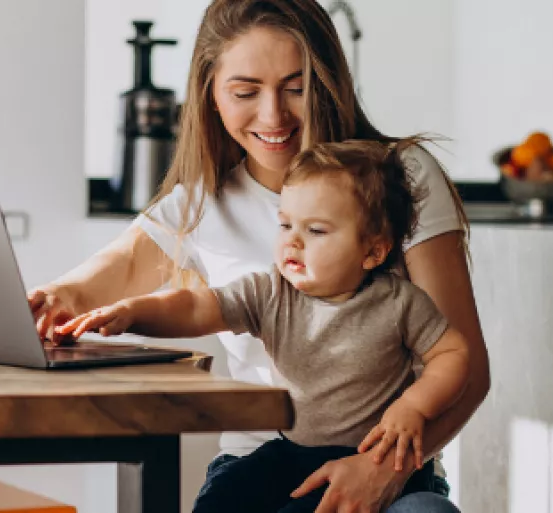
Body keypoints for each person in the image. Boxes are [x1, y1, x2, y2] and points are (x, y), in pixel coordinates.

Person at [28, 1, 490, 511]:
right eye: (245, 92)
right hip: (263, 462)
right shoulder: (201, 203)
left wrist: (381, 470)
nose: (273, 115)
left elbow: (465, 366)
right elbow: (95, 284)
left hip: (389, 467)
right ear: (212, 96)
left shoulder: (399, 178)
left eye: (297, 88)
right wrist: (54, 298)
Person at [56, 140, 471, 513]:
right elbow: (198, 307)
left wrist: (414, 406)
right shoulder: (271, 291)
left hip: (376, 459)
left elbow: (453, 354)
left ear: (372, 250)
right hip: (293, 451)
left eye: (316, 230)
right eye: (286, 224)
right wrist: (134, 311)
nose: (292, 241)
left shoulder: (400, 302)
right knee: (226, 495)